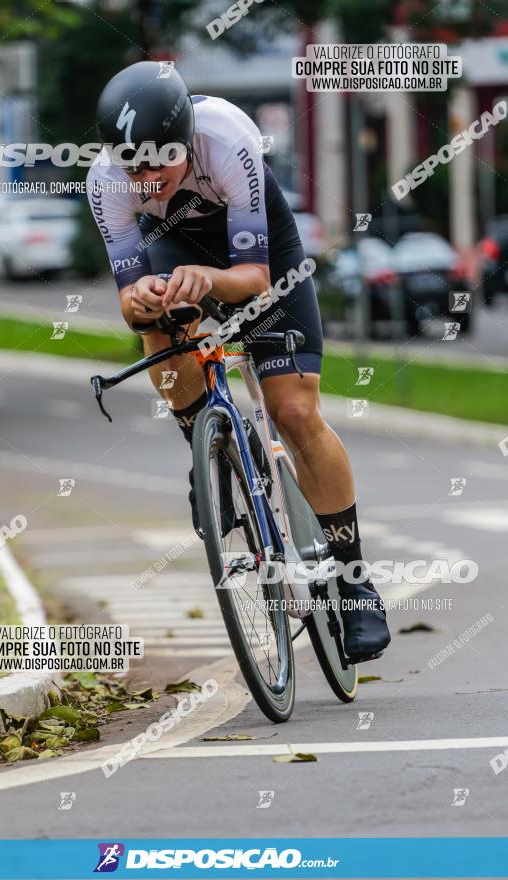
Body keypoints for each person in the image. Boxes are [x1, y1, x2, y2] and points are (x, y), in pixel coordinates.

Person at [87, 61, 390, 663]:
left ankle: (354, 583)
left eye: (158, 163)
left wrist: (213, 279)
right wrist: (143, 299)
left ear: (185, 138)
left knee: (294, 410)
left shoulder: (225, 139)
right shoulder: (106, 181)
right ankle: (204, 435)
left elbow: (254, 279)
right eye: (133, 166)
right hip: (175, 243)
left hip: (257, 251)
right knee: (161, 318)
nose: (146, 180)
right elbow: (127, 302)